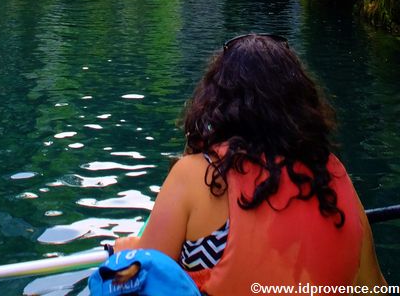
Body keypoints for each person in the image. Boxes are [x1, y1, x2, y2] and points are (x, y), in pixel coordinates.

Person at [115, 33, 385, 293]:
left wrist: (126, 258)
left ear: (217, 102)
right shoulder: (333, 173)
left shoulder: (196, 175)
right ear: (302, 103)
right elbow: (374, 288)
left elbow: (140, 284)